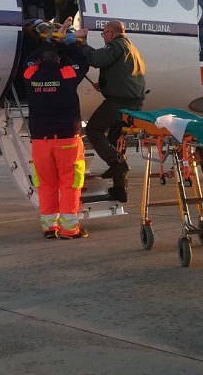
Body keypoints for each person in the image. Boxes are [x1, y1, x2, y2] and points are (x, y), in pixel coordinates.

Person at [23, 36, 90, 239]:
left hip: (40, 142)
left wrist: (48, 41)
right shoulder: (67, 75)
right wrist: (68, 44)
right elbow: (83, 63)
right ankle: (70, 229)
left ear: (40, 62)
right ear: (59, 61)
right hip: (67, 140)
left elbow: (28, 60)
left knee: (46, 184)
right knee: (70, 183)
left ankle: (49, 227)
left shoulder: (30, 75)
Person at [74, 20, 146, 203]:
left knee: (93, 129)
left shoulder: (116, 45)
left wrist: (82, 44)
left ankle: (116, 164)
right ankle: (119, 189)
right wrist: (106, 85)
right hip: (135, 103)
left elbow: (96, 59)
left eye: (104, 33)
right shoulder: (132, 49)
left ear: (111, 34)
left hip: (119, 103)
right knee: (115, 142)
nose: (104, 37)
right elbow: (124, 74)